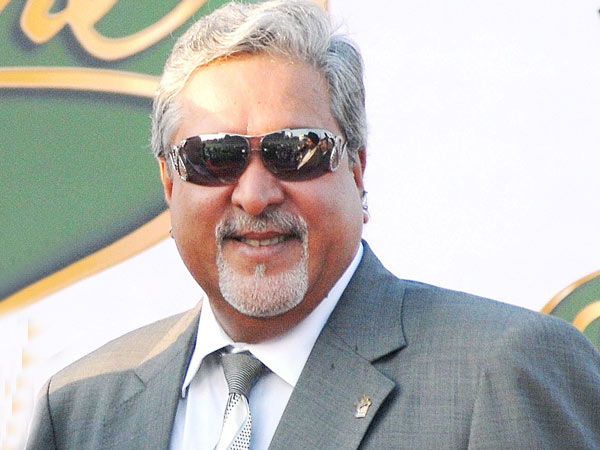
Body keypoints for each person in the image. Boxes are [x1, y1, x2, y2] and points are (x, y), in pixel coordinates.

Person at [26, 1, 600, 449]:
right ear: (171, 183)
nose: (254, 195)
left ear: (356, 168)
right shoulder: (82, 409)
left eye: (295, 152)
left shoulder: (501, 371)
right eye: (215, 157)